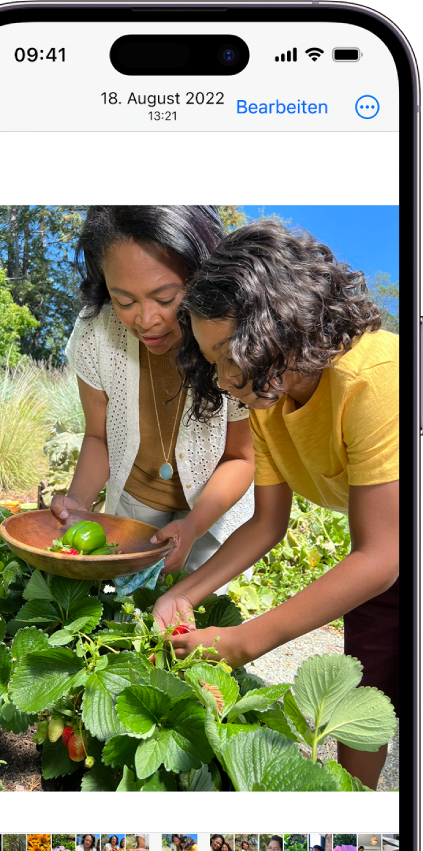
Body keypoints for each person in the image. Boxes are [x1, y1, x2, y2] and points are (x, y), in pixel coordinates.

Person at [154, 220, 399, 788]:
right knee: (365, 703)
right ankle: (354, 825)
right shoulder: (268, 398)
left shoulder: (378, 375)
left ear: (283, 321)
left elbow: (381, 555)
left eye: (230, 353)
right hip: (394, 553)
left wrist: (247, 638)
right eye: (211, 359)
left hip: (392, 549)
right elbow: (267, 523)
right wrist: (183, 593)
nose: (221, 376)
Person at [51, 206, 255, 582]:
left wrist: (193, 525)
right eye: (124, 301)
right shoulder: (96, 332)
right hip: (134, 502)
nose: (145, 320)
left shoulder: (232, 339)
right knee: (127, 610)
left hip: (214, 512)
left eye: (165, 299)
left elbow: (240, 458)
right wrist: (78, 502)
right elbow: (99, 437)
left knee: (198, 618)